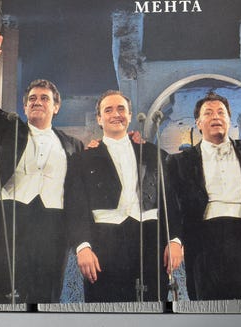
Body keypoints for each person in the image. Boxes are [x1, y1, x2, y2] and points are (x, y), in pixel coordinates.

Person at [0, 32, 84, 304]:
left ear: (56, 107)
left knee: (45, 294)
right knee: (3, 293)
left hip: (54, 222)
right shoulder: (8, 130)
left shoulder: (73, 145)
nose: (37, 102)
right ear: (24, 107)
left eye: (45, 98)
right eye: (32, 98)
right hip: (12, 217)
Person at [64, 90, 183, 303]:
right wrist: (82, 246)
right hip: (103, 244)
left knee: (152, 308)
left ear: (130, 115)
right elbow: (76, 207)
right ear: (99, 119)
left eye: (121, 109)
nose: (115, 114)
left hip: (150, 242)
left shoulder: (154, 154)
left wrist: (175, 240)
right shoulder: (81, 160)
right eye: (108, 110)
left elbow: (170, 201)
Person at [167, 91, 241, 301]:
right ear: (198, 123)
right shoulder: (180, 162)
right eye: (208, 113)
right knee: (211, 309)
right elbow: (171, 205)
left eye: (221, 112)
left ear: (229, 119)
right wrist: (175, 239)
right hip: (205, 240)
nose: (216, 117)